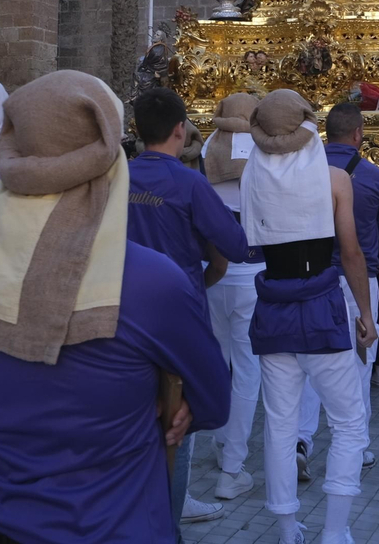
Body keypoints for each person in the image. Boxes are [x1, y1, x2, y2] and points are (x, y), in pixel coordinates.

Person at [0, 70, 231, 544]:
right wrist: (175, 407)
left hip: (3, 522)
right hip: (116, 526)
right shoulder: (153, 281)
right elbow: (214, 402)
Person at [241, 89, 377, 544]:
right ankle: (335, 532)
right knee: (349, 423)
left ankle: (286, 528)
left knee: (279, 425)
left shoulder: (251, 176)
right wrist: (365, 313)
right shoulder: (335, 178)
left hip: (273, 306)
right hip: (321, 305)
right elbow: (352, 253)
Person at [127, 87, 248, 525]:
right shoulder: (189, 182)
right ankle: (170, 518)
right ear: (181, 130)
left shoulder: (116, 176)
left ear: (138, 132)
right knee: (180, 418)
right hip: (176, 317)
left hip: (117, 311)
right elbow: (234, 245)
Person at [300, 102, 379, 471]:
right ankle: (356, 445)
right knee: (359, 363)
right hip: (360, 281)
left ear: (326, 132)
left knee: (310, 361)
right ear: (358, 134)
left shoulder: (303, 172)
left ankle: (301, 441)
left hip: (311, 277)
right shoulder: (373, 176)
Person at [201, 92, 265, 498]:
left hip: (212, 272)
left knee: (217, 361)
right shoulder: (261, 148)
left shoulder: (209, 144)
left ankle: (220, 437)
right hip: (253, 271)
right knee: (246, 370)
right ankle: (232, 466)